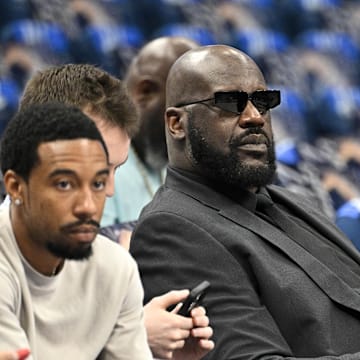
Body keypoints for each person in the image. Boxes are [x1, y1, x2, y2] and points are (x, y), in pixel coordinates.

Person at [130, 44, 360, 359]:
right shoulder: (170, 230)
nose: (254, 117)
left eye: (263, 102)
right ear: (176, 123)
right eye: (230, 102)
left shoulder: (291, 202)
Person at [2, 63, 214, 360]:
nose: (106, 192)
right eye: (67, 180)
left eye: (107, 174)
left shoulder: (115, 268)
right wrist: (136, 333)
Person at [0, 102, 152, 359]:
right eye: (64, 184)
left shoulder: (116, 269)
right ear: (15, 187)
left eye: (98, 183)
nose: (87, 206)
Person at [101, 36, 199, 229]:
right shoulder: (93, 156)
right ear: (146, 92)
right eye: (188, 110)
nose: (192, 128)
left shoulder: (168, 160)